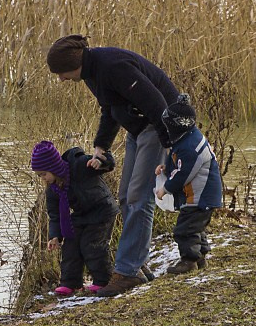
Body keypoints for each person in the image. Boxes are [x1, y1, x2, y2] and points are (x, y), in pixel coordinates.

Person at [45, 34, 180, 297]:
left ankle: (127, 272)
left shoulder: (113, 66)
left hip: (157, 127)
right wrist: (100, 147)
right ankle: (137, 264)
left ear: (73, 63)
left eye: (61, 73)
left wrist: (170, 145)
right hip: (138, 129)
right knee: (125, 196)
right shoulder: (92, 73)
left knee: (139, 198)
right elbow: (110, 109)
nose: (61, 79)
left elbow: (158, 104)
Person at [30, 140, 116, 296]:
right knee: (71, 244)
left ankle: (103, 280)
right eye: (39, 175)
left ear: (53, 168)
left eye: (44, 174)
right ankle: (70, 283)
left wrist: (101, 162)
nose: (42, 178)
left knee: (91, 244)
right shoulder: (53, 189)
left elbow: (109, 162)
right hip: (81, 214)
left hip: (102, 210)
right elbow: (55, 215)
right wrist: (55, 236)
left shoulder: (79, 165)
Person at [156, 94, 223, 274]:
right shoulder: (187, 139)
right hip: (200, 196)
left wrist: (166, 188)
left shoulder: (190, 146)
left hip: (201, 197)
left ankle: (189, 261)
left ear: (175, 126)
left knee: (185, 230)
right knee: (195, 228)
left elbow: (184, 173)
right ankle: (200, 258)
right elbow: (179, 163)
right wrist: (165, 168)